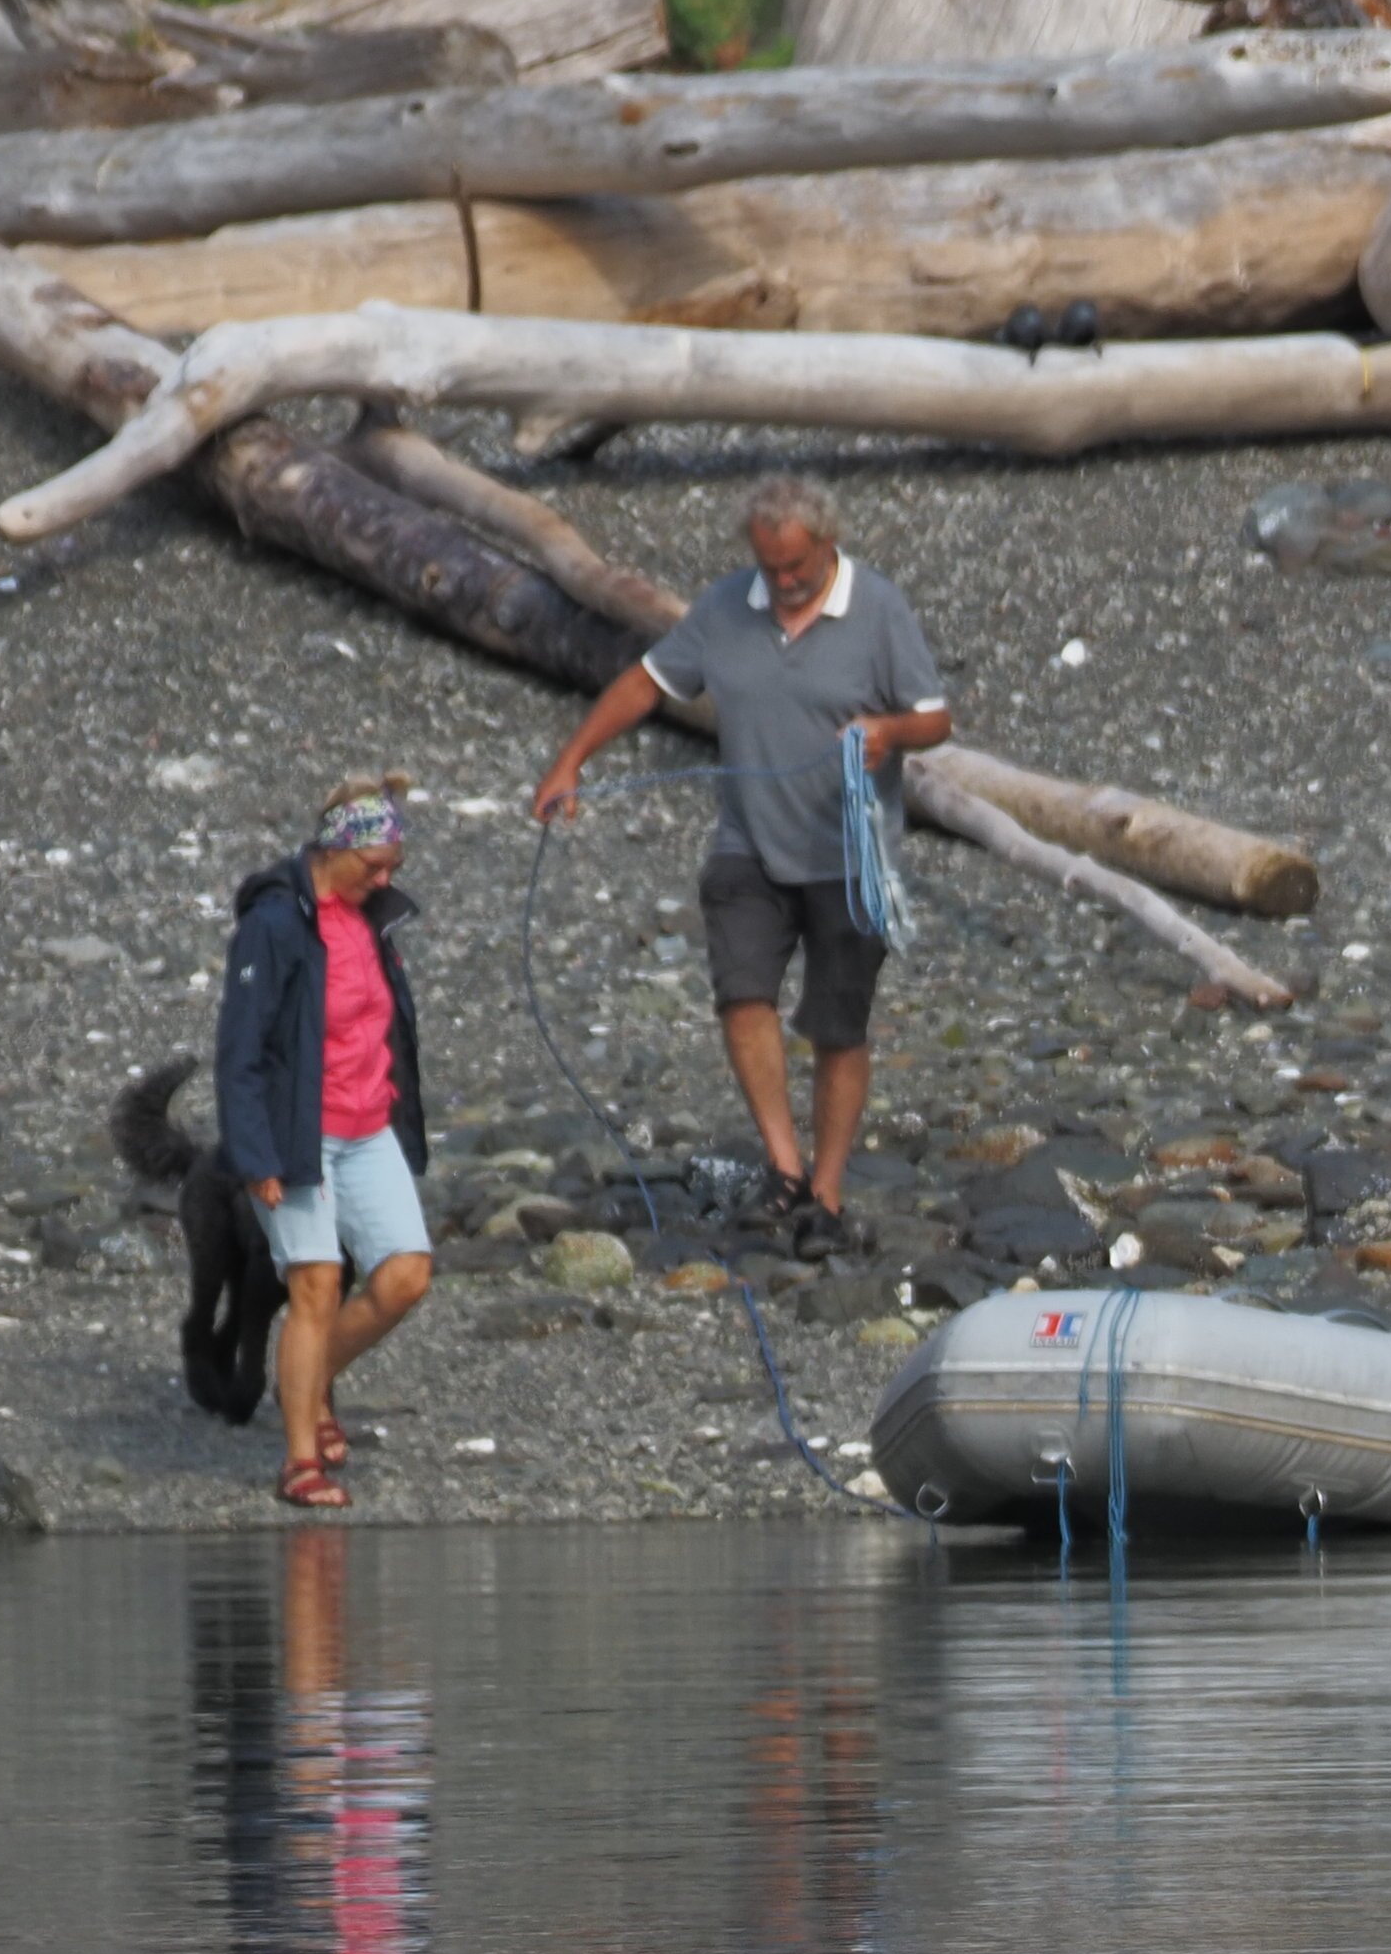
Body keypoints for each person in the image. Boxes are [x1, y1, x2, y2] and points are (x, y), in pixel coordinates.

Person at [530, 475, 953, 1231]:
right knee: (741, 993)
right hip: (747, 841)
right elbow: (646, 683)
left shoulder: (880, 608)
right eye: (772, 569)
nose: (785, 583)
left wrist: (886, 732)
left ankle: (826, 1189)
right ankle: (783, 1168)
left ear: (829, 544)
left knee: (837, 1024)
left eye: (798, 568)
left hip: (849, 854)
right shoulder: (727, 607)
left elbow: (934, 719)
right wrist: (572, 761)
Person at [213, 777, 435, 1512]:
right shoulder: (275, 924)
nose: (384, 880)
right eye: (373, 866)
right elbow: (239, 1048)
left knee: (405, 1276)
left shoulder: (371, 920)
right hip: (293, 1133)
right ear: (334, 848)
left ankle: (304, 1383)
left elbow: (390, 1028)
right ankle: (300, 1461)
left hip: (369, 1127)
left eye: (393, 867)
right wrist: (256, 1156)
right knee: (316, 1287)